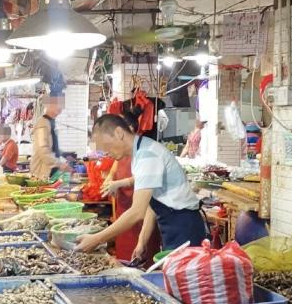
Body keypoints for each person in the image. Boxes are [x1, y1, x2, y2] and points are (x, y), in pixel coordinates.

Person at [77, 110, 207, 259]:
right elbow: (152, 203)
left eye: (104, 145)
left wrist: (96, 239)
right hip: (173, 223)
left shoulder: (147, 154)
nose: (105, 153)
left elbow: (137, 212)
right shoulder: (140, 152)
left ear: (119, 133)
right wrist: (142, 241)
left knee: (184, 279)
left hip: (184, 226)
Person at [31, 97, 71, 179]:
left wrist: (64, 154)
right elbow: (42, 150)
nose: (60, 109)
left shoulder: (50, 122)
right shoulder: (42, 124)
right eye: (58, 105)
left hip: (50, 170)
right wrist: (60, 164)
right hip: (42, 172)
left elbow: (52, 147)